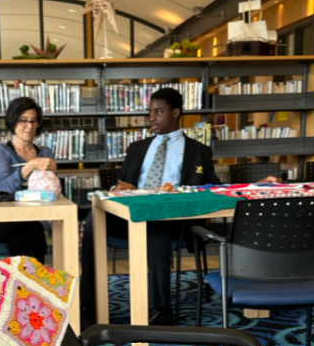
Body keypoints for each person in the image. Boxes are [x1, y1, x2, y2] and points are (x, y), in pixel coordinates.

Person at [80, 87, 220, 327]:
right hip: (133, 213)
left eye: (158, 112)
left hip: (173, 220)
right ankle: (88, 303)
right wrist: (119, 187)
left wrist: (260, 184)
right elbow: (122, 183)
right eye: (150, 112)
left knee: (155, 229)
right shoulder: (137, 148)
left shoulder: (199, 151)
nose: (151, 118)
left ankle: (159, 309)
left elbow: (213, 187)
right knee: (95, 218)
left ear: (175, 112)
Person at [0, 96, 57, 262]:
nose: (29, 126)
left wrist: (52, 180)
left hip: (36, 216)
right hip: (2, 219)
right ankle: (30, 280)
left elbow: (52, 192)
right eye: (23, 120)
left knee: (32, 226)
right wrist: (30, 166)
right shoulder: (1, 150)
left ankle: (28, 280)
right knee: (30, 228)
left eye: (34, 121)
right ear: (13, 122)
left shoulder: (45, 152)